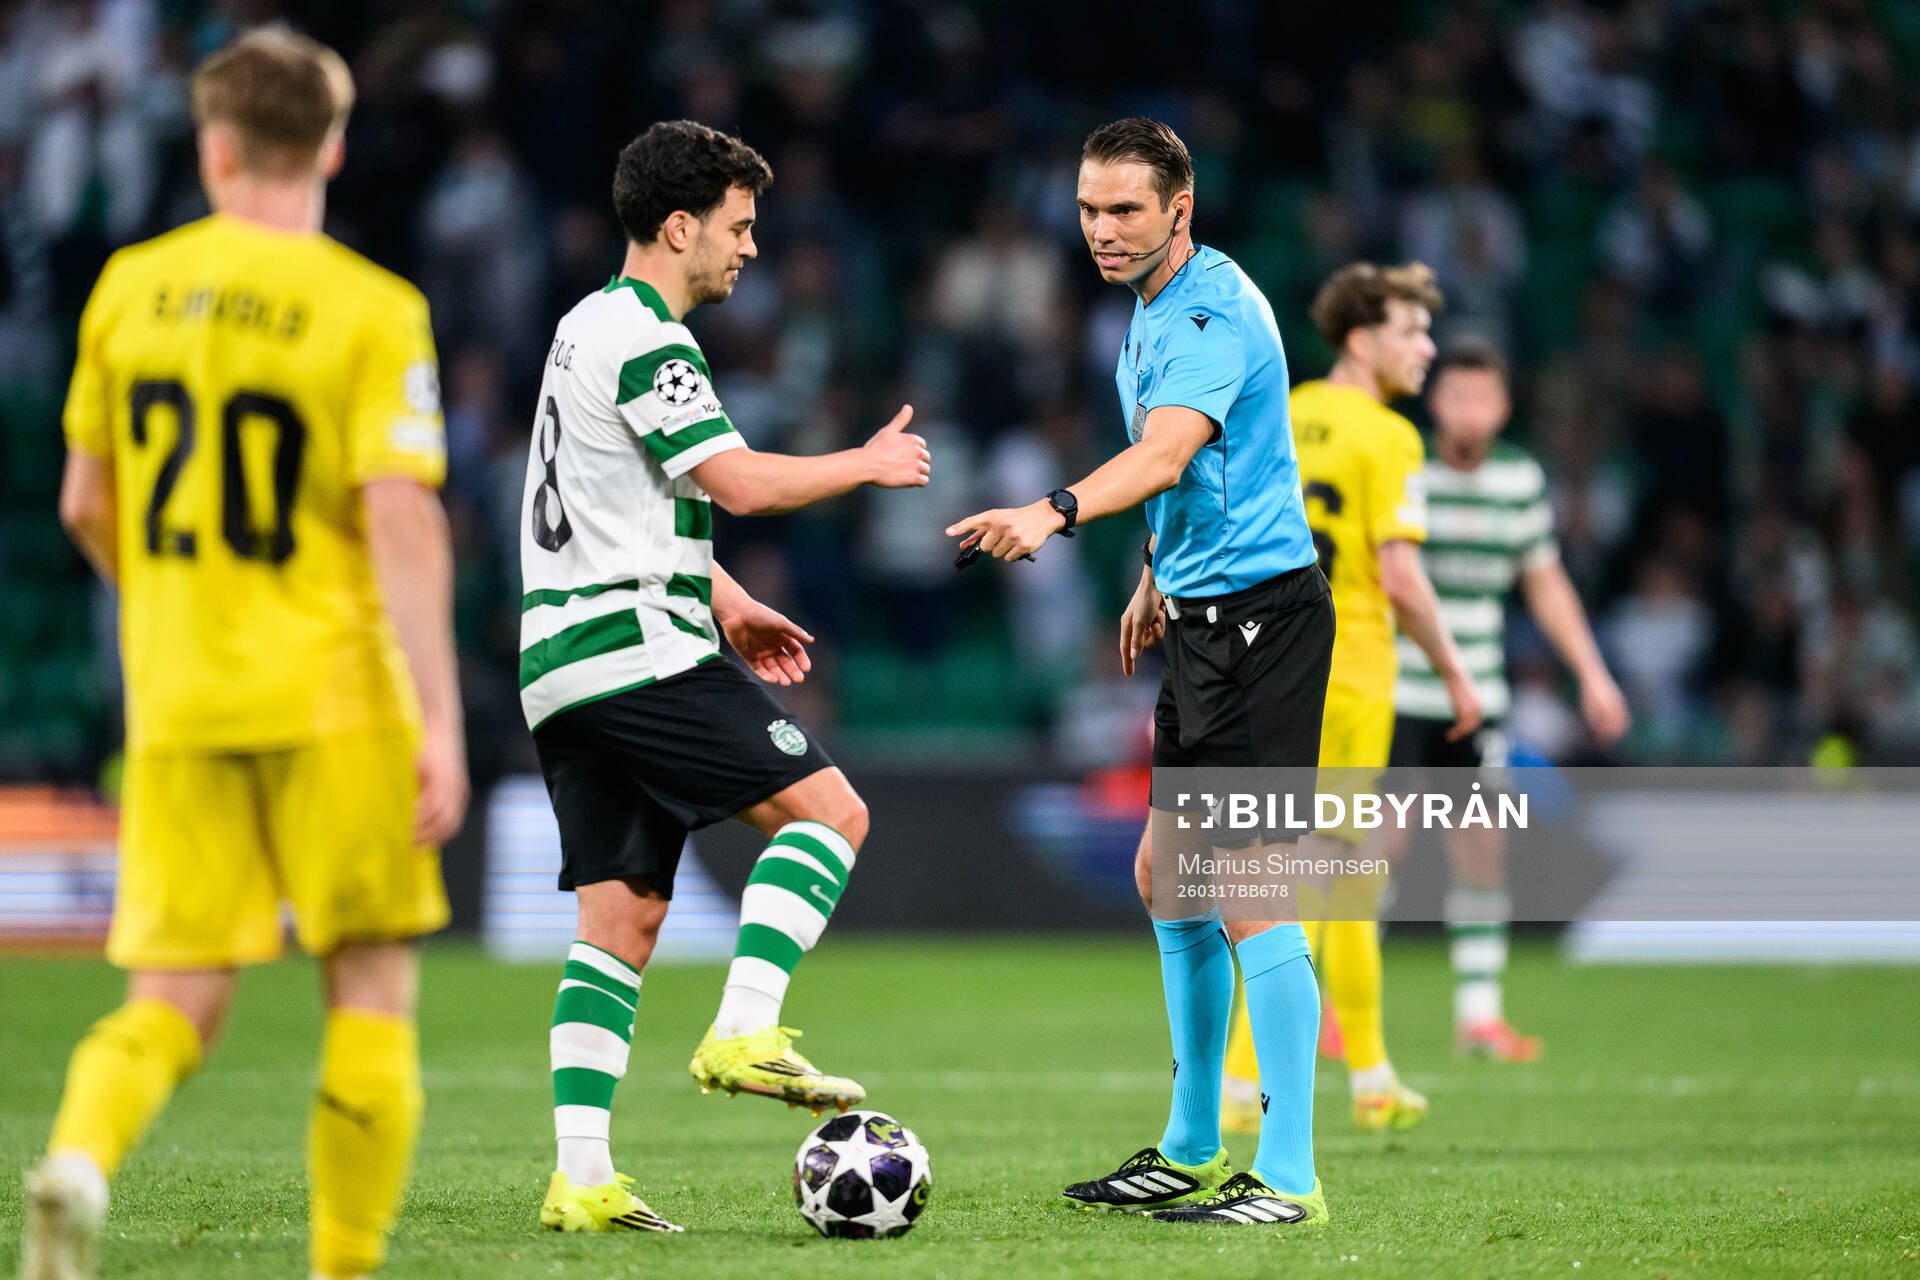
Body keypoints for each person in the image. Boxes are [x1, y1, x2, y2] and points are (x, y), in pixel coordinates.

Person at [25, 28, 467, 1280]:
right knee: (369, 991)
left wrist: (169, 604)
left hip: (179, 699)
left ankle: (80, 1158)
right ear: (329, 143)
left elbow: (81, 503)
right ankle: (340, 1266)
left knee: (171, 997)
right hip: (337, 693)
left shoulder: (128, 288)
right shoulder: (373, 309)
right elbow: (402, 516)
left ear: (213, 146)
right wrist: (440, 716)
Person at [520, 120, 930, 1235]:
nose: (750, 249)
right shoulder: (648, 332)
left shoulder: (581, 329)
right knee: (830, 811)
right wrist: (867, 461)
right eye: (740, 227)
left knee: (622, 919)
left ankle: (583, 1176)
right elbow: (739, 482)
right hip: (635, 650)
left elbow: (616, 505)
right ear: (679, 224)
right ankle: (747, 1023)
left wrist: (730, 599)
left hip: (561, 665)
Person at [947, 118, 1333, 1227]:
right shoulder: (1153, 307)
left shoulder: (1207, 312)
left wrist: (1052, 509)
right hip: (1206, 616)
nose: (1101, 230)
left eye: (1124, 209)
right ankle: (1191, 1141)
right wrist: (1159, 567)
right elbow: (1201, 471)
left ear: (1181, 208)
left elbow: (1166, 451)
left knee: (1254, 894)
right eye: (1087, 209)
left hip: (1264, 625)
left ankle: (1293, 1173)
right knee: (1167, 875)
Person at [1221, 262, 1482, 1135]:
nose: (1428, 348)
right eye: (1412, 331)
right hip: (1355, 669)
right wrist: (1455, 672)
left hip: (1266, 658)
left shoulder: (1279, 412)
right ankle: (1248, 1078)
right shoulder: (1389, 437)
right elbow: (1401, 579)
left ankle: (1368, 1072)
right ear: (1364, 339)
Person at [1383, 338, 1629, 1059]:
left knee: (1481, 852)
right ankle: (1338, 1009)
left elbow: (1544, 582)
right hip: (1399, 689)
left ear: (1503, 407)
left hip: (1478, 697)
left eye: (1483, 398)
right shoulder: (1405, 467)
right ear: (1436, 403)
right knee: (1375, 854)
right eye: (1458, 396)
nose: (1470, 410)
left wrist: (1592, 672)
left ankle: (1480, 1017)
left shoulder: (1518, 480)